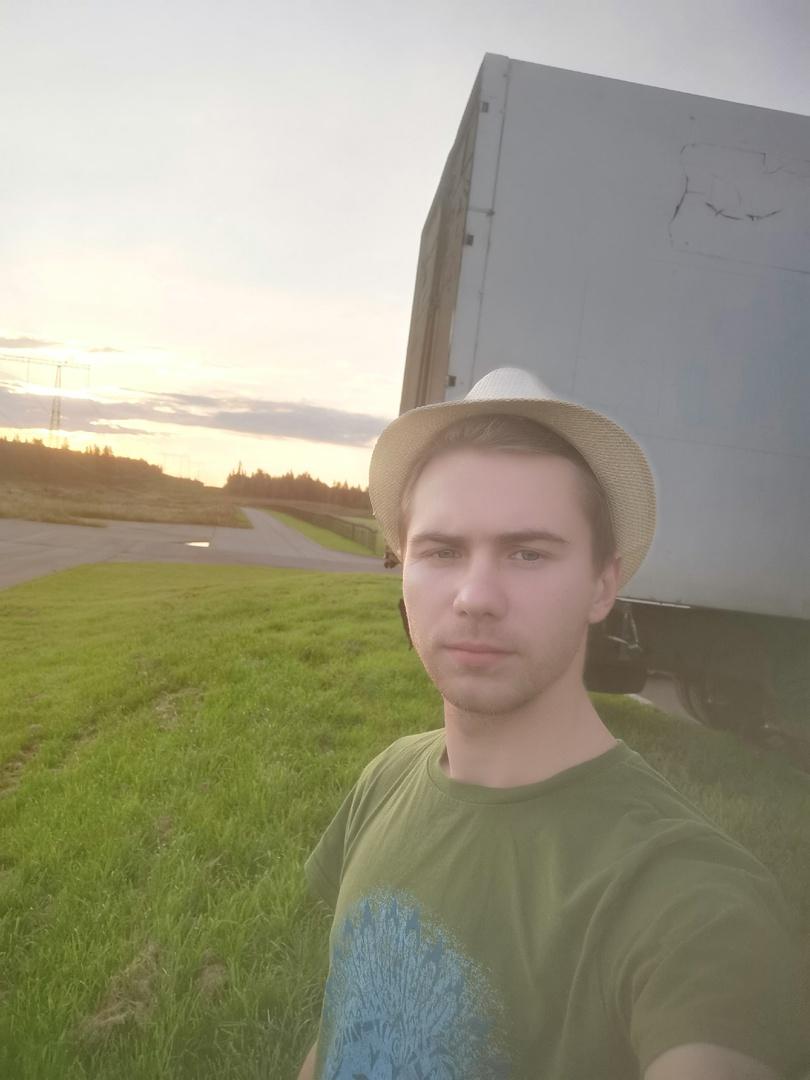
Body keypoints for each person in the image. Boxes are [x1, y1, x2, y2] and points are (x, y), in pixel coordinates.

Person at [297, 367, 808, 1080]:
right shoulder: (385, 780)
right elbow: (347, 1021)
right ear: (404, 571)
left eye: (528, 552)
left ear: (603, 584)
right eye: (441, 551)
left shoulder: (691, 899)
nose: (475, 596)